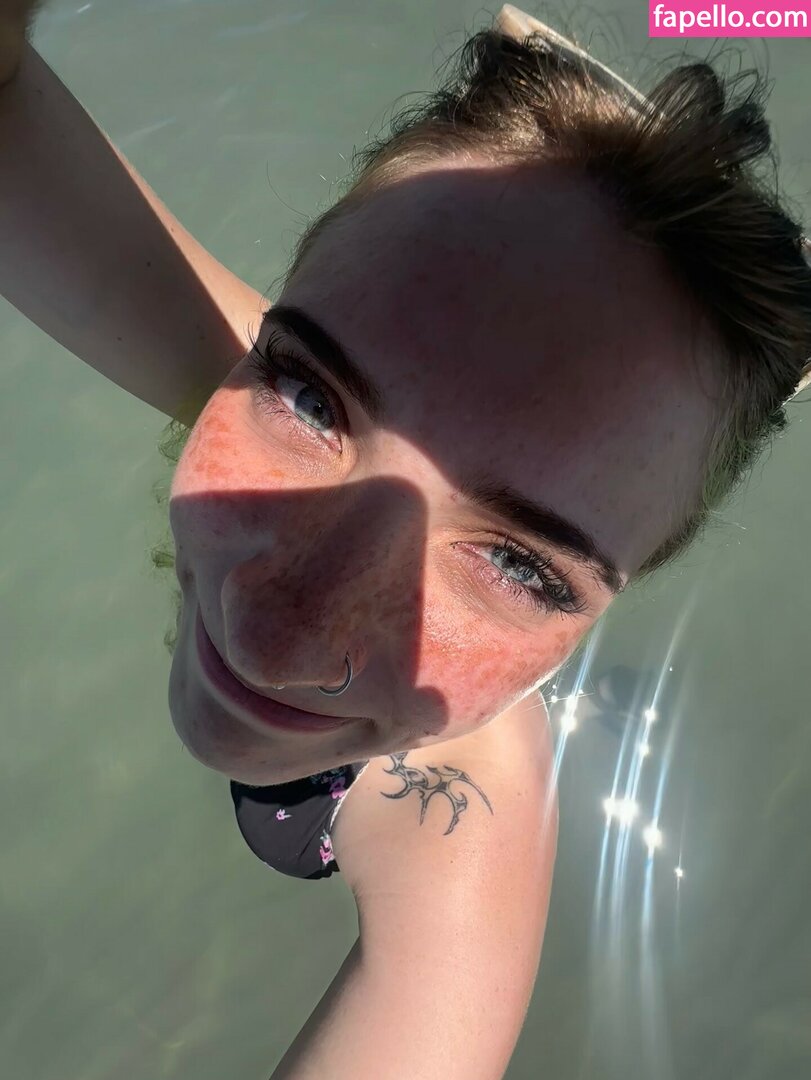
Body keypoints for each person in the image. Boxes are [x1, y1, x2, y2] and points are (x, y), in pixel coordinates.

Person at [2, 3, 810, 1077]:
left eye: (520, 564)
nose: (273, 636)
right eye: (311, 399)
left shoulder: (461, 836)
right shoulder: (233, 375)